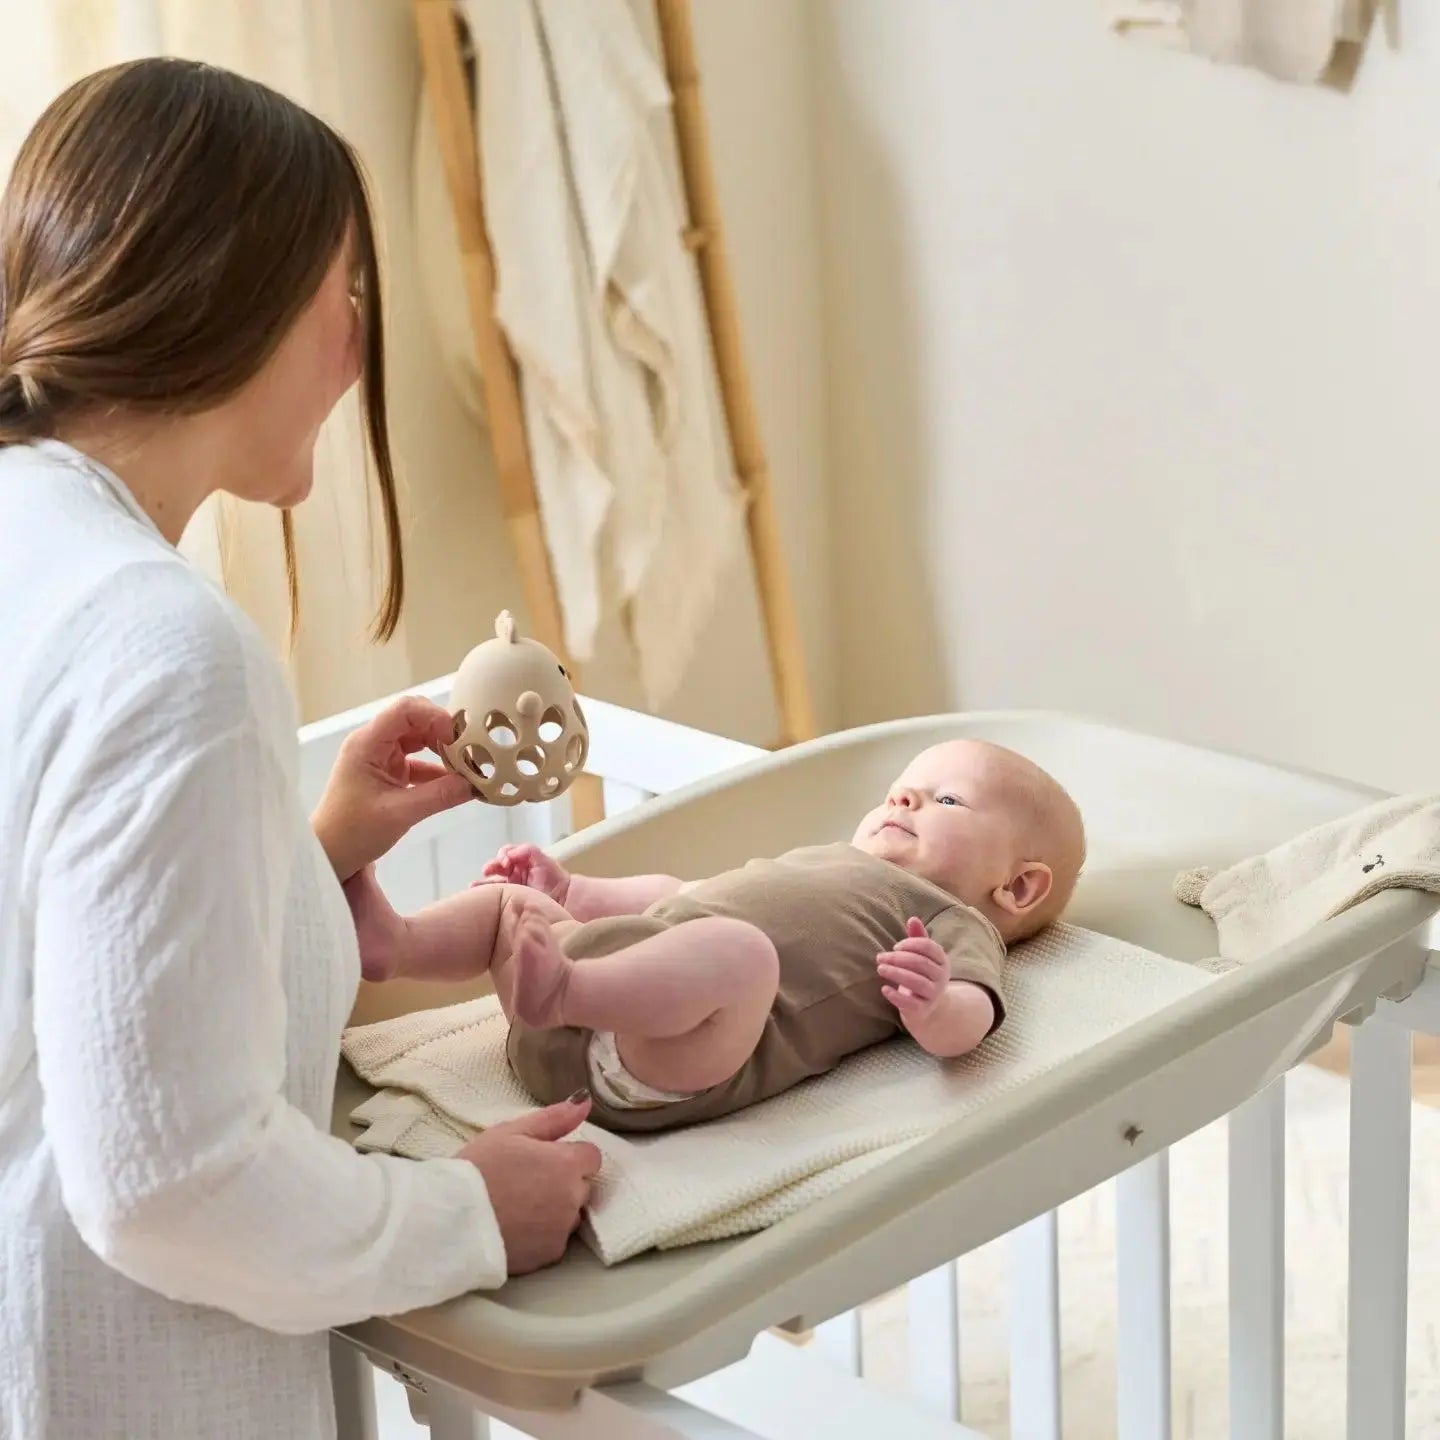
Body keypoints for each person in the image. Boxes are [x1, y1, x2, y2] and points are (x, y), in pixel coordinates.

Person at [0, 59, 600, 1440]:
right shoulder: (163, 651)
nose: (352, 345)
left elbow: (57, 968)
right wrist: (466, 1214)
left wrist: (307, 851)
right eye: (349, 294)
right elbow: (168, 1177)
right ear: (249, 302)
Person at [347, 739, 1087, 1133]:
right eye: (902, 788)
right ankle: (395, 945)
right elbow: (675, 899)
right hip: (585, 1018)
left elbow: (974, 1020)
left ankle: (565, 988)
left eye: (946, 800)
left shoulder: (954, 920)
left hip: (664, 1063)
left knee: (739, 953)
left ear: (1016, 887)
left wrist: (935, 1008)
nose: (903, 798)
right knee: (522, 902)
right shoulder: (833, 865)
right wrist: (571, 894)